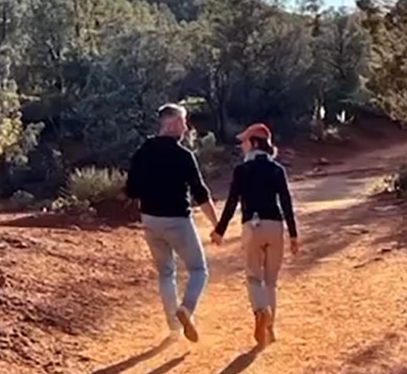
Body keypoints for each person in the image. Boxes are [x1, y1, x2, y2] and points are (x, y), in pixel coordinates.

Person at [125, 103, 220, 343]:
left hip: (149, 219)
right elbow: (200, 193)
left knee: (166, 273)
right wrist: (216, 224)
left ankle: (174, 329)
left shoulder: (142, 151)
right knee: (199, 270)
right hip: (177, 219)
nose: (186, 127)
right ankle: (186, 309)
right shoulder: (183, 156)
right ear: (172, 123)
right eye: (183, 122)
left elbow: (131, 189)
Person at [211, 123, 299, 348]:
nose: (242, 145)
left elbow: (231, 203)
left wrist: (220, 230)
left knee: (253, 277)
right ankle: (270, 329)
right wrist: (294, 235)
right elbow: (286, 202)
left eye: (244, 141)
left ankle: (261, 311)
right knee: (271, 281)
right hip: (276, 226)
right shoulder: (277, 169)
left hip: (252, 226)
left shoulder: (242, 170)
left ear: (254, 143)